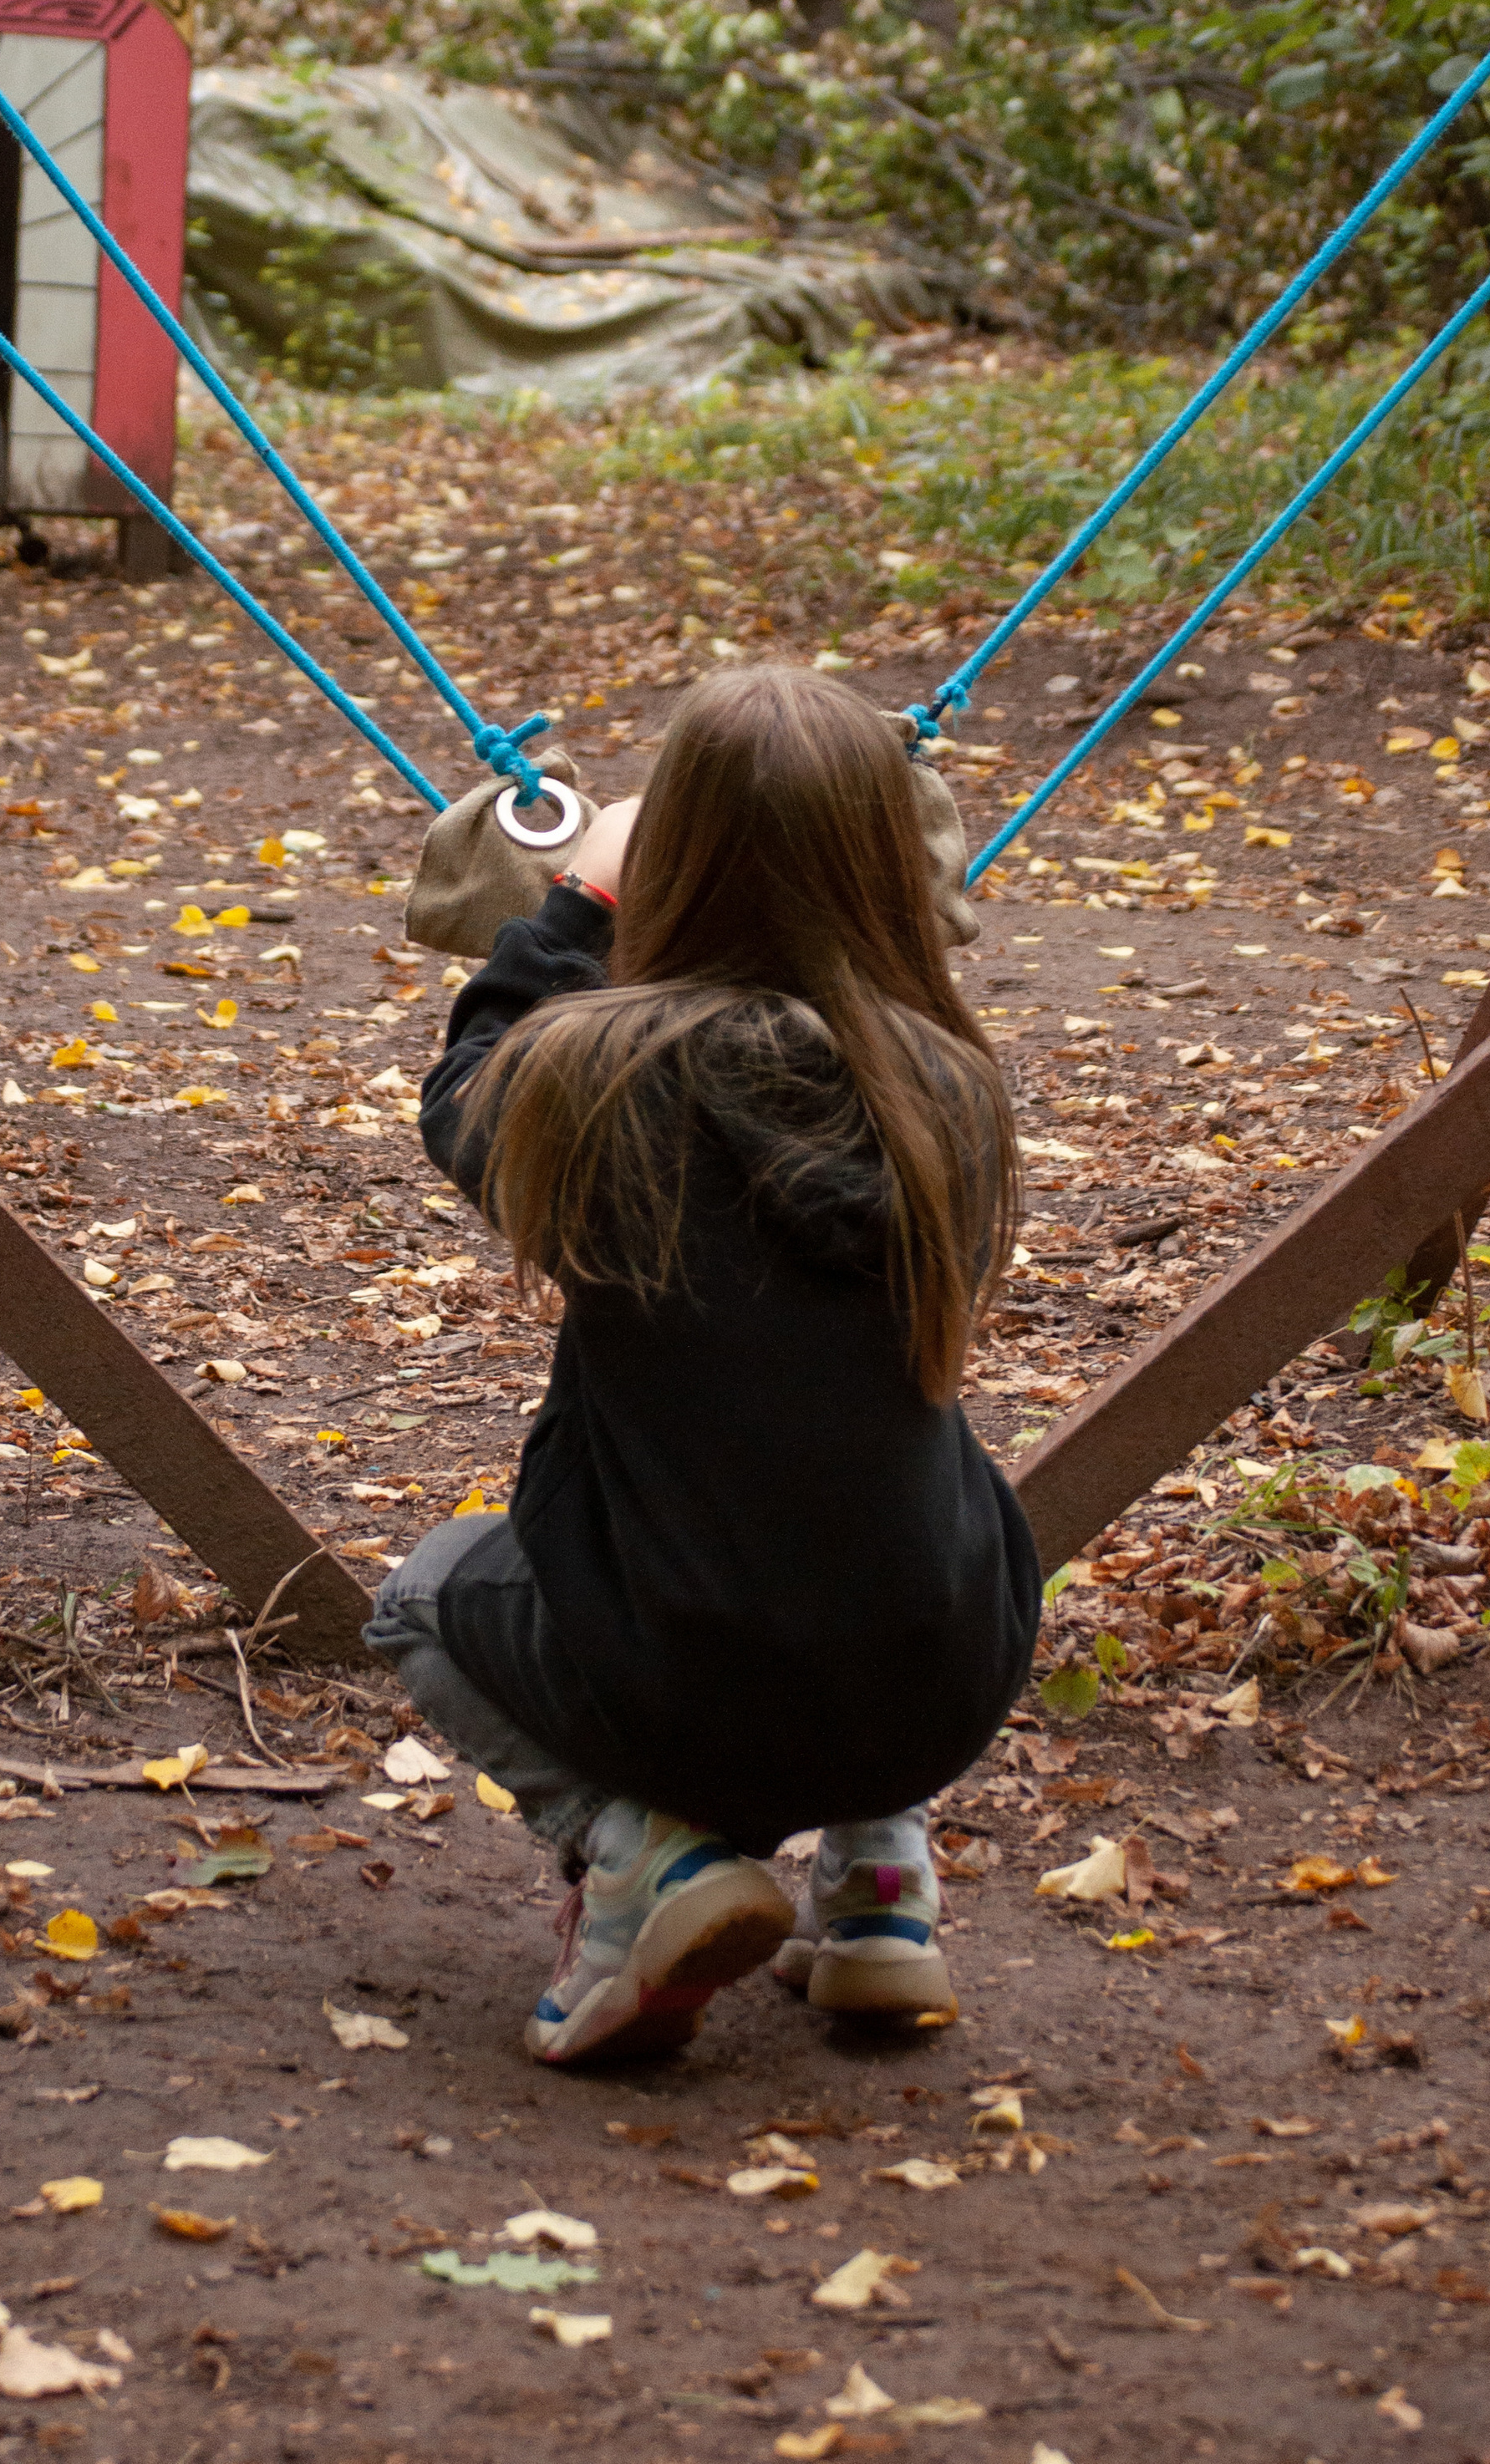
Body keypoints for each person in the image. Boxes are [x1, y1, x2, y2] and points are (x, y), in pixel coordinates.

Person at [364, 663, 1040, 2069]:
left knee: (424, 1597)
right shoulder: (952, 1090)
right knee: (867, 1512)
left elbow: (466, 1079)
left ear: (667, 863)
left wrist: (584, 904)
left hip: (680, 1680)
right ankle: (878, 1888)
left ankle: (645, 1861)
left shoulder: (596, 1075)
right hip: (947, 1674)